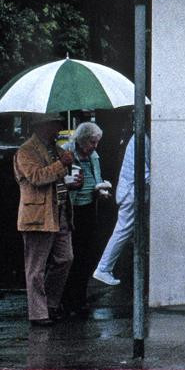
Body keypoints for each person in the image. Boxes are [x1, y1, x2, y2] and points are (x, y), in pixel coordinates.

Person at [14, 114, 74, 327]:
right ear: (44, 126)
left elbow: (57, 179)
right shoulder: (26, 151)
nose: (59, 129)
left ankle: (50, 303)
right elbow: (36, 177)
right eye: (56, 124)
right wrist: (61, 164)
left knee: (65, 258)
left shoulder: (54, 148)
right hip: (38, 216)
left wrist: (70, 181)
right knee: (35, 267)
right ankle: (38, 313)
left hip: (59, 212)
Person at [60, 121, 110, 314]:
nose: (94, 146)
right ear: (81, 140)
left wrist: (101, 190)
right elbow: (58, 180)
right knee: (70, 256)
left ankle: (80, 297)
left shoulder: (93, 156)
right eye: (92, 142)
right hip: (71, 208)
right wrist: (68, 183)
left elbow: (96, 178)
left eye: (97, 142)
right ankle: (67, 298)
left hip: (89, 206)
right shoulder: (67, 153)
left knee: (86, 255)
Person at [93, 132, 146, 287]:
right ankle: (104, 268)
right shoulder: (142, 139)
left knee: (124, 230)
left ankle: (104, 268)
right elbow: (144, 170)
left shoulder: (137, 138)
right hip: (132, 192)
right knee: (123, 230)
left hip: (130, 191)